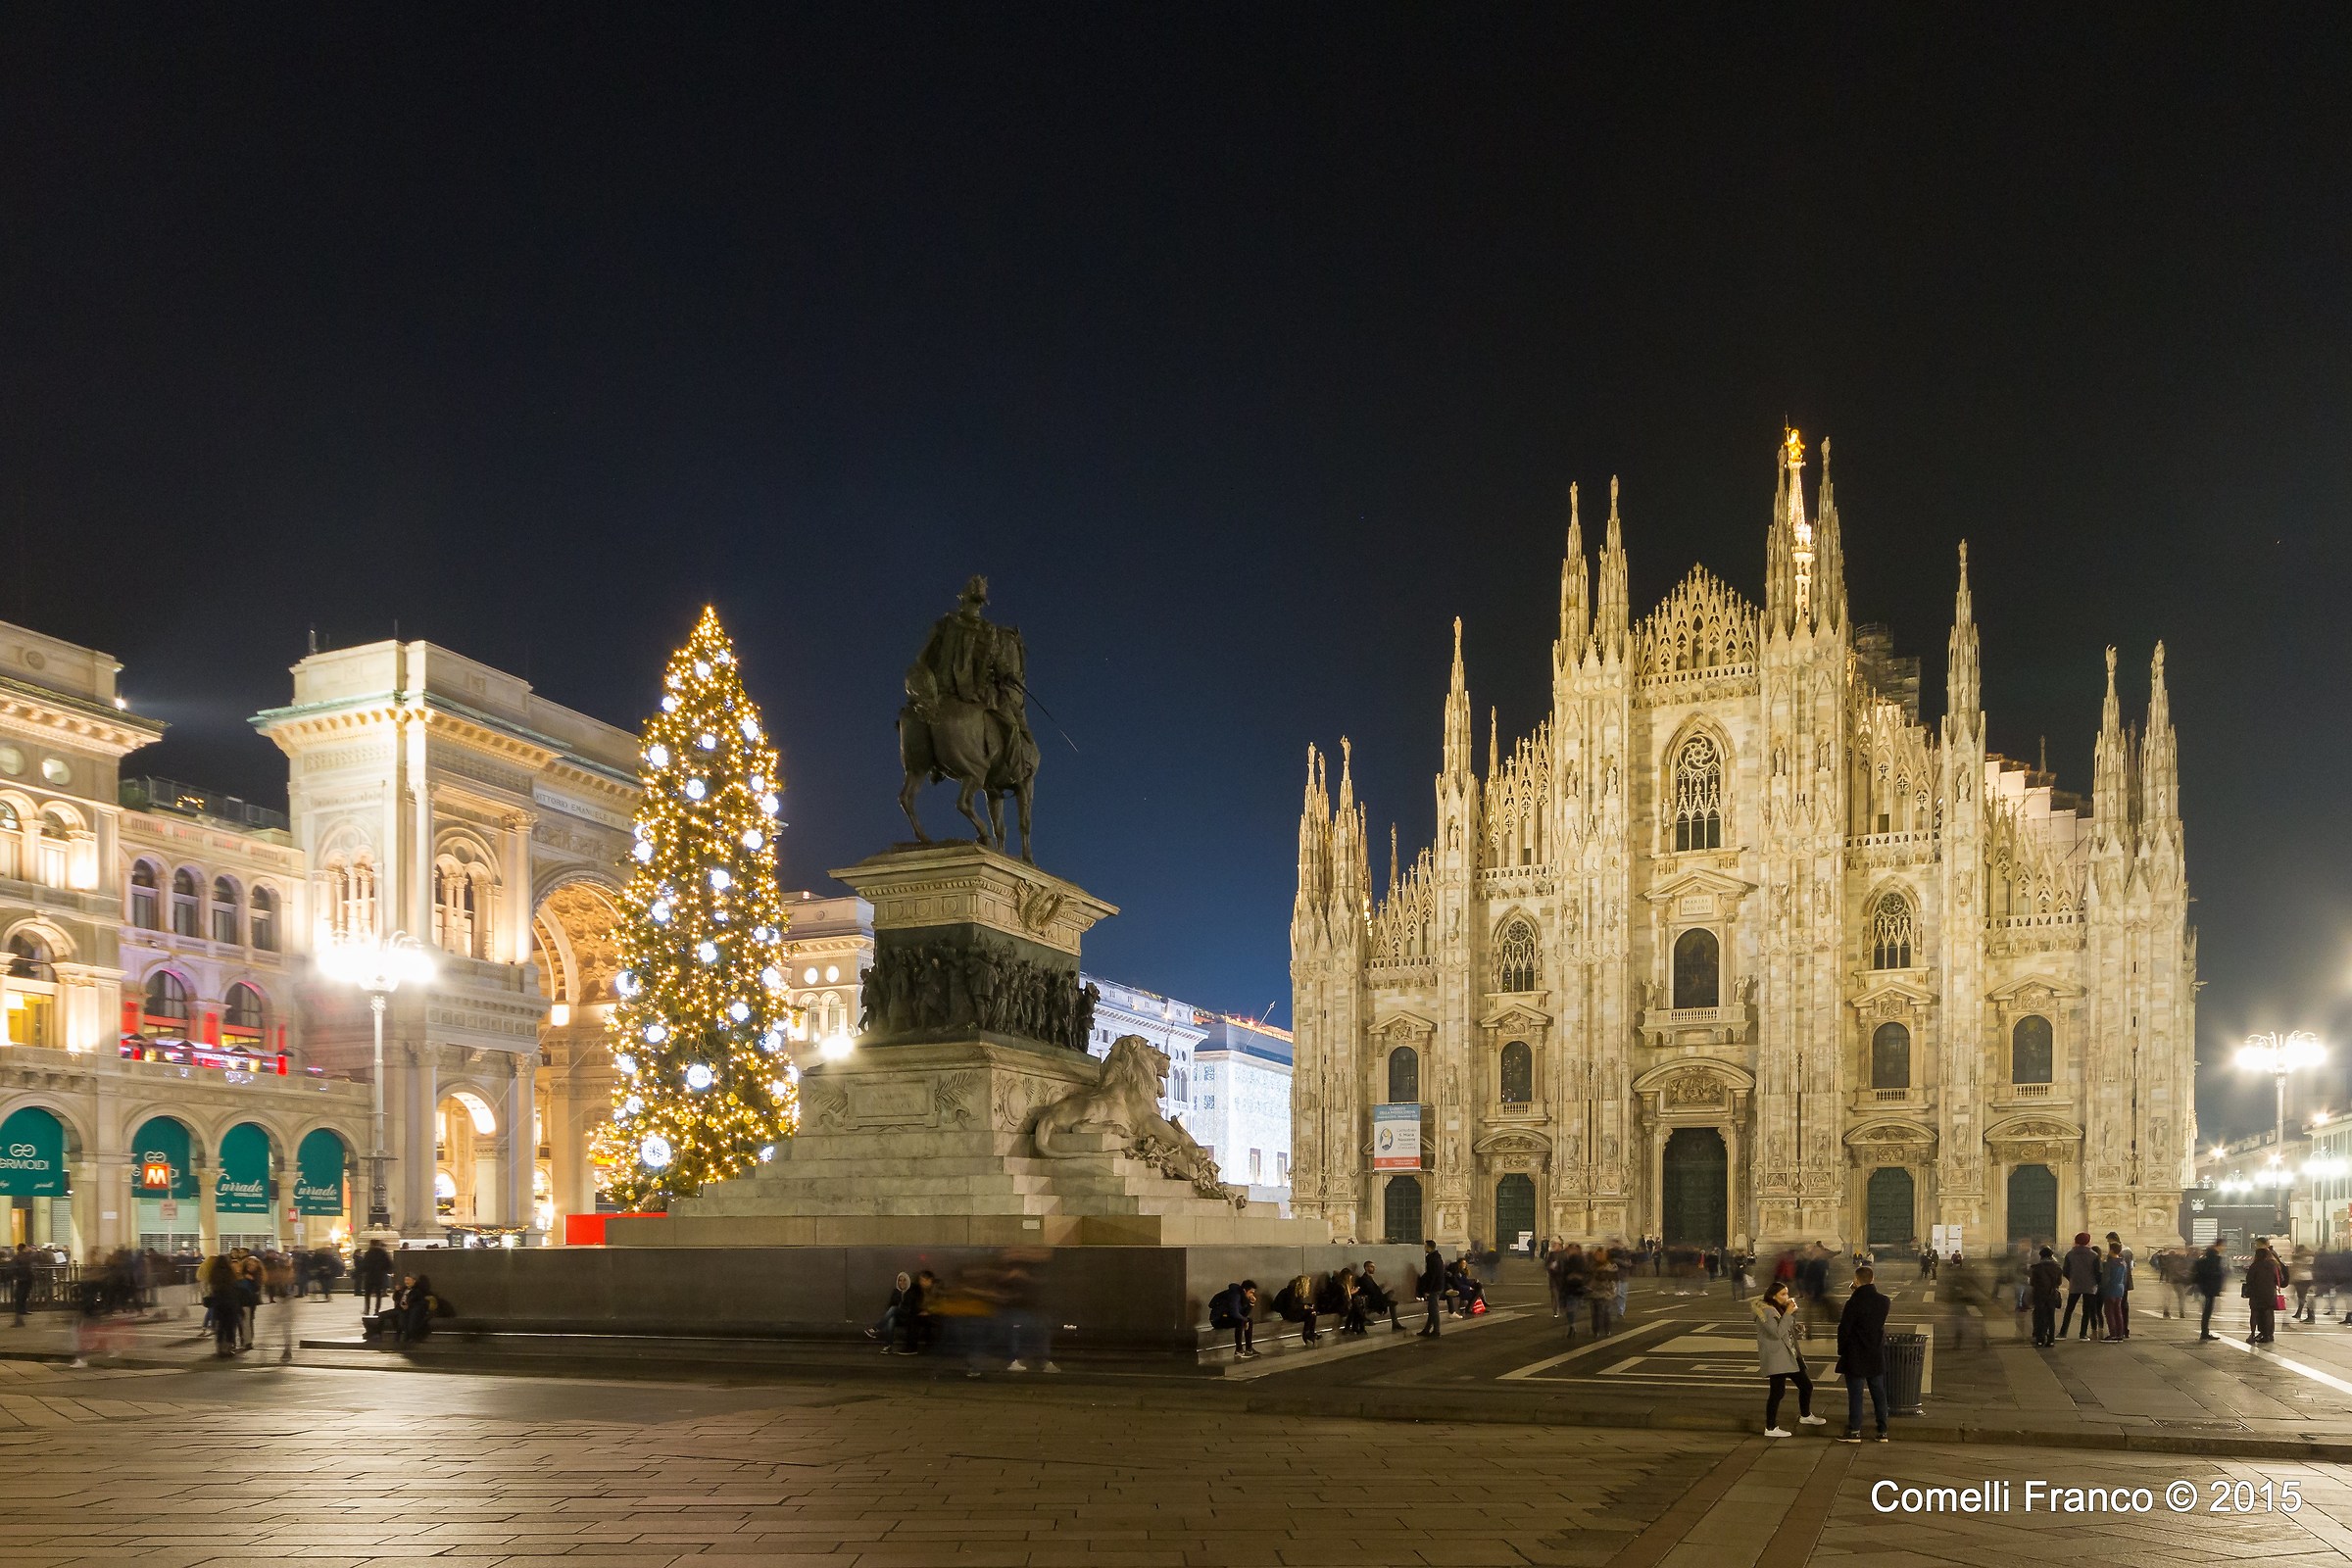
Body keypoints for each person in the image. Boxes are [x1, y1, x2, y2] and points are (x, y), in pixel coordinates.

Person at [1753, 1280, 1825, 1437]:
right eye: (1783, 1294)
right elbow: (1776, 1333)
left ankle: (1805, 1416)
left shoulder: (1777, 1308)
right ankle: (1770, 1428)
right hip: (1777, 1357)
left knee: (1806, 1386)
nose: (1787, 1297)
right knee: (1777, 1392)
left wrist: (1795, 1326)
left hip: (1790, 1355)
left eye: (1787, 1293)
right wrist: (1788, 1314)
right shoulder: (1766, 1312)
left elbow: (1784, 1330)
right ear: (1773, 1296)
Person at [1835, 1263, 1892, 1444]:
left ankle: (1854, 1431)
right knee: (1879, 1393)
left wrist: (1842, 1349)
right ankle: (1882, 1431)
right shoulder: (1884, 1301)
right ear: (1873, 1279)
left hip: (1855, 1354)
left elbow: (1844, 1329)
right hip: (1875, 1352)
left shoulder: (1853, 1302)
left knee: (1856, 1394)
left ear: (1856, 1281)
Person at [2059, 1232, 2103, 1340]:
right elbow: (2098, 1272)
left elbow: (2065, 1271)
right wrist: (2096, 1283)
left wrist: (2072, 1279)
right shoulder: (2094, 1255)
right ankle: (2083, 1334)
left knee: (2069, 1310)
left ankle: (2062, 1333)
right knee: (2086, 1311)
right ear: (2088, 1241)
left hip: (2075, 1285)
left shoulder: (2070, 1254)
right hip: (2090, 1286)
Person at [2245, 1240, 2285, 1345]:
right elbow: (2280, 1280)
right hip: (2269, 1293)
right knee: (2268, 1313)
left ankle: (2253, 1334)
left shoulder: (2254, 1266)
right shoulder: (2274, 1265)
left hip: (2256, 1293)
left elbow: (2249, 1279)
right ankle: (2268, 1335)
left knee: (2254, 1313)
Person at [2027, 1246, 2066, 1348]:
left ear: (2041, 1256)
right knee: (2051, 1317)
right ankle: (2051, 1340)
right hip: (2052, 1294)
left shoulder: (2035, 1268)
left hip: (2039, 1295)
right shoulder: (2057, 1268)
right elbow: (2059, 1282)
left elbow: (2032, 1283)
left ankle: (2040, 1339)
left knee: (2040, 1317)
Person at [2190, 1240, 2228, 1342]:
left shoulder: (2206, 1258)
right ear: (2218, 1246)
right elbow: (2213, 1273)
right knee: (2207, 1311)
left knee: (2207, 1311)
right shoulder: (2214, 1259)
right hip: (2209, 1288)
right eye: (2223, 1246)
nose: (2224, 1248)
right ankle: (2204, 1333)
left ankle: (2205, 1332)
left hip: (2205, 1287)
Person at [1211, 1280, 1258, 1359]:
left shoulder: (1243, 1297)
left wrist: (1251, 1303)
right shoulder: (1235, 1295)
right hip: (1217, 1319)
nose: (1252, 1295)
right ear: (1244, 1290)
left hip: (1228, 1317)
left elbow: (1244, 1315)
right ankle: (1239, 1350)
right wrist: (1245, 1320)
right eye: (1251, 1292)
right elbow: (1234, 1313)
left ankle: (1249, 1348)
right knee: (1240, 1321)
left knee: (1249, 1320)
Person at [866, 1272, 914, 1345]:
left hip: (908, 1316)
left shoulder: (911, 1292)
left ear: (908, 1281)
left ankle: (876, 1328)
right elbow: (890, 1306)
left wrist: (902, 1299)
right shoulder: (896, 1292)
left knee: (894, 1309)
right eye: (900, 1280)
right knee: (891, 1319)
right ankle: (888, 1345)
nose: (902, 1282)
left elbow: (912, 1306)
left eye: (904, 1280)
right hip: (898, 1316)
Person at [2099, 1242, 2131, 1342]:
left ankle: (2112, 1334)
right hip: (2120, 1289)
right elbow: (2125, 1278)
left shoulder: (2110, 1263)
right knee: (2118, 1312)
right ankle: (2119, 1334)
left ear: (2111, 1250)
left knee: (2109, 1312)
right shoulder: (2123, 1262)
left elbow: (2106, 1278)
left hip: (2110, 1289)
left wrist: (2102, 1287)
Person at [1357, 1262, 1402, 1330]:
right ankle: (1395, 1323)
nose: (1374, 1268)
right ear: (1366, 1268)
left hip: (1377, 1298)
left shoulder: (1369, 1278)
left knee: (1391, 1292)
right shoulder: (1364, 1279)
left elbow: (1374, 1290)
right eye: (1371, 1267)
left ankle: (1395, 1322)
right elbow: (1371, 1291)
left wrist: (1382, 1286)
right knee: (1393, 1303)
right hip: (1373, 1301)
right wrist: (1381, 1288)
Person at [358, 1241, 394, 1319]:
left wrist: (362, 1271)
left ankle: (367, 1309)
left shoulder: (368, 1253)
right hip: (379, 1276)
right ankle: (376, 1310)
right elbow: (389, 1263)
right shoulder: (383, 1253)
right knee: (378, 1295)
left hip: (369, 1276)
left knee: (367, 1294)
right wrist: (385, 1270)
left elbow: (364, 1264)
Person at [1418, 1241, 1445, 1338]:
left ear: (1429, 1247)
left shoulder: (1431, 1259)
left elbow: (1431, 1276)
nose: (1424, 1248)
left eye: (1425, 1246)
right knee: (1432, 1309)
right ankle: (1427, 1329)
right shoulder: (1437, 1257)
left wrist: (1428, 1290)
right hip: (1439, 1286)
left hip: (1435, 1287)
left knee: (1433, 1309)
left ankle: (1437, 1331)